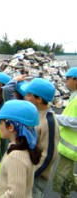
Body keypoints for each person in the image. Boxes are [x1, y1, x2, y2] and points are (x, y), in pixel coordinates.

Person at [0, 100, 42, 198]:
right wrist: (0, 192)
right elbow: (17, 187)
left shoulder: (16, 157)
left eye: (0, 122)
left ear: (10, 127)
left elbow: (16, 194)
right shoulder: (24, 148)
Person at [21, 78, 59, 198]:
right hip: (27, 171)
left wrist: (32, 175)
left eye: (28, 95)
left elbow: (49, 155)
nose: (25, 97)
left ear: (39, 99)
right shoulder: (35, 113)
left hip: (36, 176)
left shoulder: (49, 121)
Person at [53, 67, 77, 198]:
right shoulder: (74, 97)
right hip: (69, 147)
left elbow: (74, 121)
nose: (65, 82)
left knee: (61, 179)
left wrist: (56, 118)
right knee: (65, 178)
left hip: (71, 147)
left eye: (68, 79)